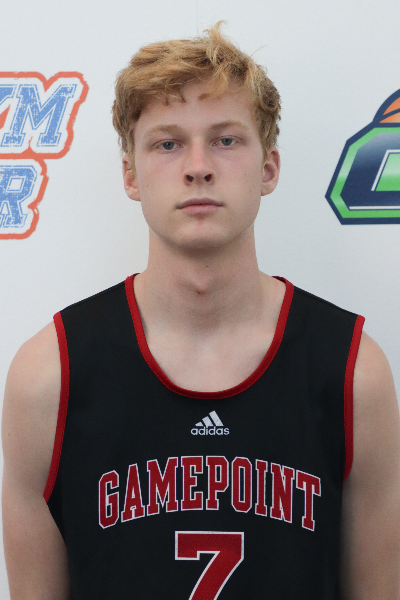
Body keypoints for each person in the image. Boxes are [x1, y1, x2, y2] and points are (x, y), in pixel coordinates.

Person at [2, 20, 400, 600]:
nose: (197, 166)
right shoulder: (48, 378)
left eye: (226, 140)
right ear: (130, 174)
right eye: (167, 143)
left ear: (269, 168)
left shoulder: (353, 372)